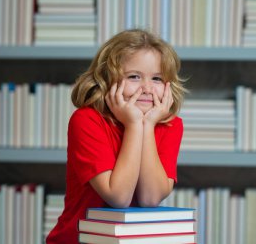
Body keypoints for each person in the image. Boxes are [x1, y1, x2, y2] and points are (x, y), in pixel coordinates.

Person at [46, 29, 187, 244]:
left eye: (157, 78)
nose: (147, 88)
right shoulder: (86, 120)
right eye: (134, 77)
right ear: (108, 80)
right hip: (82, 239)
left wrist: (147, 126)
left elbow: (150, 198)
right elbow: (118, 197)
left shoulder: (171, 125)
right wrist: (133, 125)